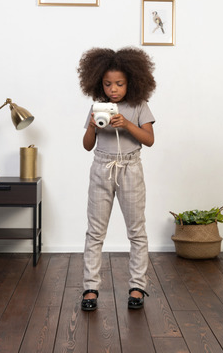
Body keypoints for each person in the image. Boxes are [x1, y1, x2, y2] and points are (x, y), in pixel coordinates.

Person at [77, 47, 156, 311]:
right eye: (108, 83)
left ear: (131, 81)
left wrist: (127, 124)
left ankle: (137, 286)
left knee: (136, 230)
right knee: (95, 231)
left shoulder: (138, 105)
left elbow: (149, 140)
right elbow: (87, 145)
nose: (113, 89)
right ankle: (90, 287)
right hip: (101, 168)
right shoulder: (97, 106)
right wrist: (91, 125)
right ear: (98, 81)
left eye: (119, 83)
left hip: (130, 168)